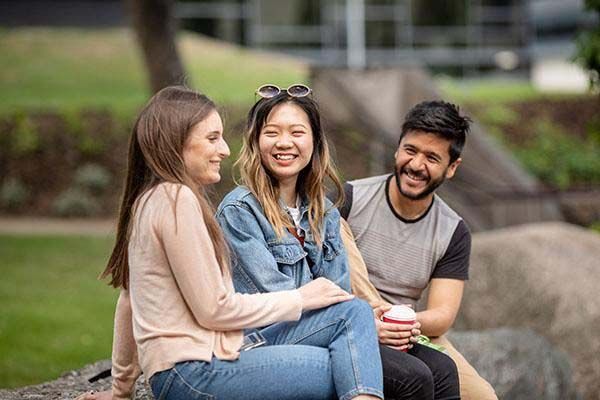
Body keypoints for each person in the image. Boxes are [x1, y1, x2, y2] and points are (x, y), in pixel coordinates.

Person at [75, 86, 382, 400]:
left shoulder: (151, 200)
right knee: (347, 366)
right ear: (176, 141)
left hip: (186, 369)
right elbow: (215, 309)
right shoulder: (176, 200)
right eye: (212, 138)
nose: (224, 149)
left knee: (352, 320)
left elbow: (129, 298)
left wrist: (121, 390)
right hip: (194, 371)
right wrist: (301, 298)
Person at [217, 84, 455, 400]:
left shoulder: (323, 210)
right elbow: (278, 299)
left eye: (297, 132)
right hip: (269, 337)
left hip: (331, 326)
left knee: (442, 368)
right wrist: (364, 326)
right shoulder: (240, 211)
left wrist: (368, 323)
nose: (284, 143)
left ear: (314, 142)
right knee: (411, 377)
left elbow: (338, 289)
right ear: (256, 142)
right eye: (272, 133)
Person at [340, 100, 498, 400]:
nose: (415, 165)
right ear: (397, 148)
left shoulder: (453, 230)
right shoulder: (350, 198)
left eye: (431, 158)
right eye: (410, 150)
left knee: (482, 396)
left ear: (452, 168)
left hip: (411, 326)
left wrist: (401, 323)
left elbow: (441, 315)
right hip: (353, 314)